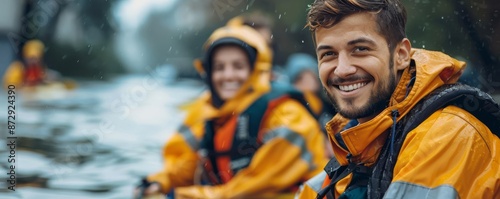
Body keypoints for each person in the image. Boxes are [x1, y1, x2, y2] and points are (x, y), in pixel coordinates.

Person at [295, 0, 500, 198]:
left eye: (360, 49)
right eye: (329, 54)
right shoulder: (354, 149)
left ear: (401, 54)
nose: (343, 69)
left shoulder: (449, 133)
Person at [135, 25, 328, 199]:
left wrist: (182, 196)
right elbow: (186, 164)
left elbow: (256, 186)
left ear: (255, 70)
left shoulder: (289, 116)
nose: (228, 75)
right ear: (209, 73)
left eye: (238, 66)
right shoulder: (208, 117)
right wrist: (159, 182)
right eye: (219, 67)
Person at [285, 53, 335, 158]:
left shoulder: (328, 103)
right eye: (301, 78)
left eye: (312, 75)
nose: (309, 80)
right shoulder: (292, 109)